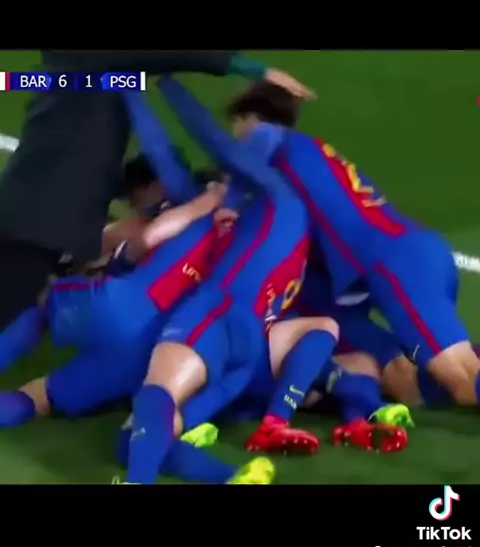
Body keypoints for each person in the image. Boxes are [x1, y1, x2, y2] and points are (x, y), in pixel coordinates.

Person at [0, 51, 314, 334]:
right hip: (43, 220)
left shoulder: (85, 71)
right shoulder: (93, 65)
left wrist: (163, 85)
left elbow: (146, 85)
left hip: (42, 215)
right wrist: (258, 71)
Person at [122, 79, 338, 485]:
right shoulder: (291, 213)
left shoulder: (260, 196)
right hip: (251, 347)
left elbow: (187, 144)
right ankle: (235, 472)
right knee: (151, 433)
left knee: (152, 405)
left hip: (214, 314)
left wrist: (146, 81)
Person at [224, 82, 480, 407]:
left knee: (463, 378)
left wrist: (228, 202)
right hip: (409, 255)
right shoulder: (307, 156)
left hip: (394, 265)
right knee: (425, 375)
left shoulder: (273, 141)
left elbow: (260, 138)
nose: (233, 136)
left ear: (249, 118)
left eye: (235, 123)